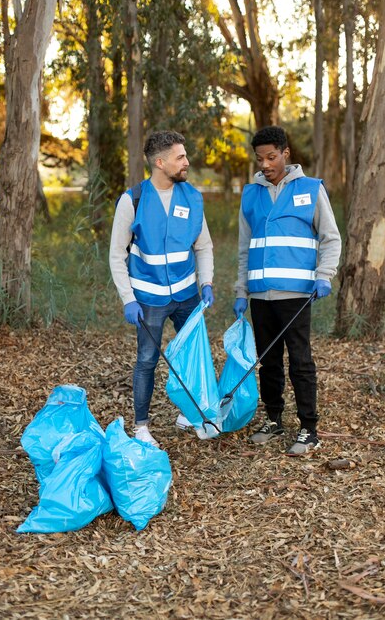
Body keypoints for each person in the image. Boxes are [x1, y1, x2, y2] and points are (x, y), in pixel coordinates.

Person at [233, 125, 341, 455]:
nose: (265, 164)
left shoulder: (310, 189)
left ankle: (309, 428)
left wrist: (325, 275)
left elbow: (331, 237)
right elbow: (243, 248)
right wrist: (241, 290)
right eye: (259, 158)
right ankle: (274, 419)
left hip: (297, 294)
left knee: (300, 361)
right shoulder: (251, 194)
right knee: (268, 362)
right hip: (261, 294)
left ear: (285, 154)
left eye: (271, 157)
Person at [110, 130, 214, 447]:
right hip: (149, 298)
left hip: (187, 295)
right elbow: (117, 254)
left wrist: (206, 282)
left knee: (193, 356)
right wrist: (128, 299)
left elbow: (204, 246)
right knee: (147, 360)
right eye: (180, 157)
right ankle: (141, 426)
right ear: (160, 162)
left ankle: (190, 414)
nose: (186, 162)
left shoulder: (192, 198)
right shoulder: (133, 201)